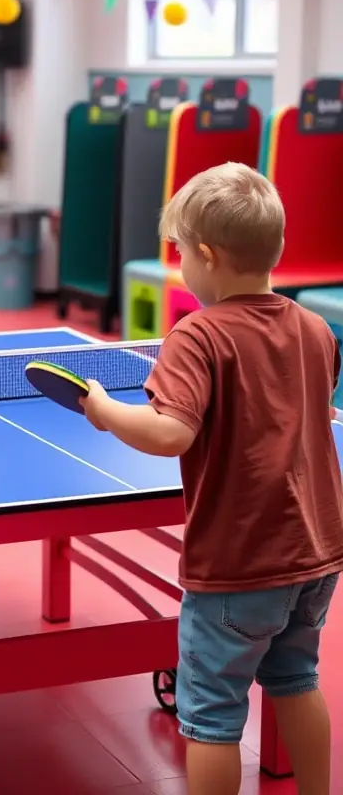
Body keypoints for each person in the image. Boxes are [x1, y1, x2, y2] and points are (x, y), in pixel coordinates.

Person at [80, 162, 343, 795]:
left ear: (205, 254)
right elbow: (316, 400)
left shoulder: (196, 334)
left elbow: (170, 432)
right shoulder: (315, 328)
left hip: (238, 562)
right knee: (298, 680)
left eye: (179, 254)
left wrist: (104, 409)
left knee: (213, 719)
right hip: (316, 555)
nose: (180, 268)